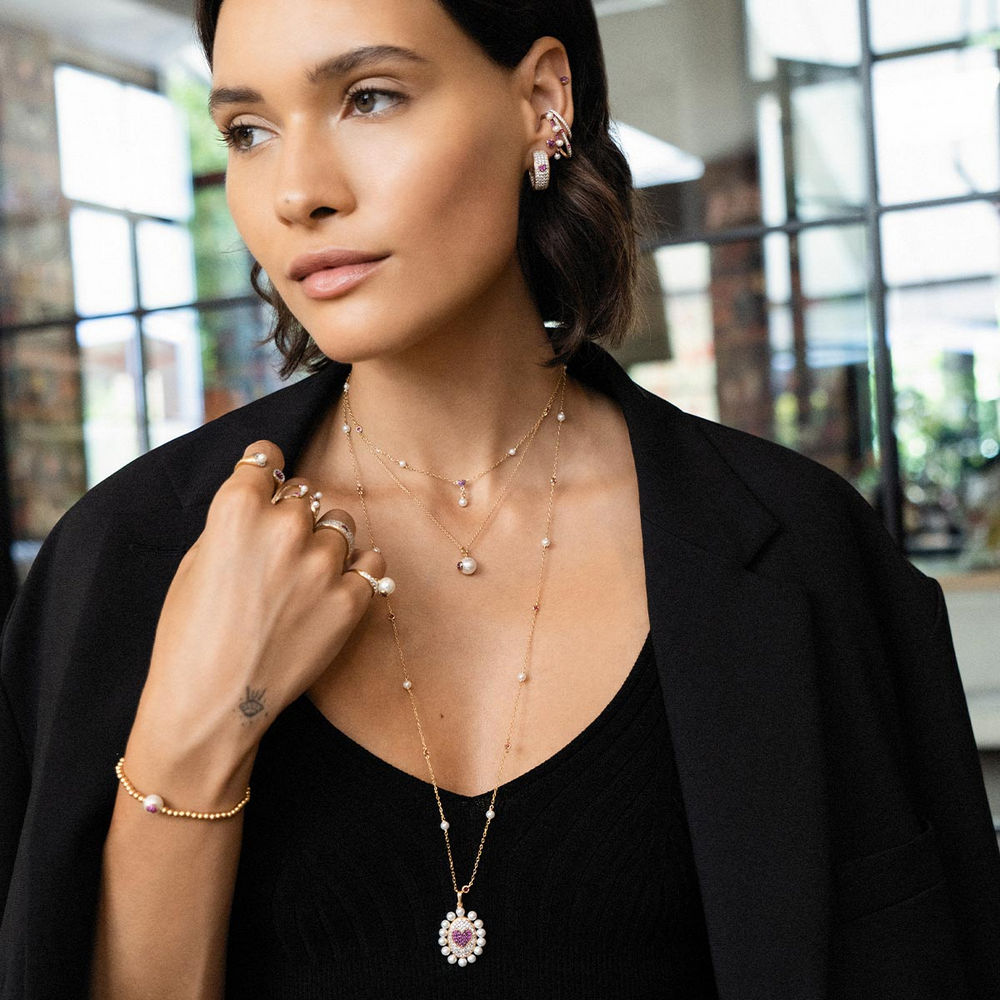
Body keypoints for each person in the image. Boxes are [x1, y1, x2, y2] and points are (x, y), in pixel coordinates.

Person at [1, 0, 998, 997]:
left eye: (369, 98)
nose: (296, 192)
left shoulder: (810, 554)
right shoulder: (118, 564)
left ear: (542, 101)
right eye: (248, 131)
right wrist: (195, 731)